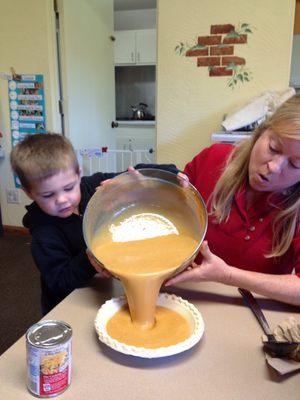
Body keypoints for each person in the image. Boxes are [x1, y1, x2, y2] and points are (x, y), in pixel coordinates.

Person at [10, 133, 178, 314]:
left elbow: (138, 172)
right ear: (29, 193)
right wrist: (89, 259)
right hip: (67, 307)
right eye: (48, 195)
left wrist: (169, 175)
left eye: (68, 188)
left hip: (102, 292)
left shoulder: (93, 187)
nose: (62, 200)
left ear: (79, 174)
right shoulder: (44, 233)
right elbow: (59, 283)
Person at [166, 94, 300, 306]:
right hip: (184, 299)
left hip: (254, 315)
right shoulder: (213, 158)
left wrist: (227, 275)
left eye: (295, 165)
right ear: (260, 133)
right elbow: (167, 212)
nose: (274, 167)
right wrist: (139, 192)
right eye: (273, 148)